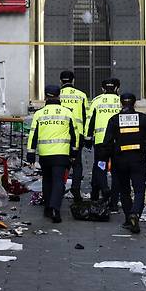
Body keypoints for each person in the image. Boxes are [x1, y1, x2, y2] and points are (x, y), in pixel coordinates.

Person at [101, 92, 146, 233]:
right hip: (138, 159)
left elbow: (107, 142)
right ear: (135, 103)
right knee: (139, 190)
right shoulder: (143, 118)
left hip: (120, 160)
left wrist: (104, 160)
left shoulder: (114, 120)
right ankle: (135, 214)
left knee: (124, 190)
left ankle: (128, 219)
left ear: (121, 103)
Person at [27, 85, 78, 223]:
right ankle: (55, 208)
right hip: (61, 153)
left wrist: (30, 153)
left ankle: (48, 208)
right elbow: (75, 135)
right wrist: (74, 152)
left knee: (47, 181)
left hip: (45, 154)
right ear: (59, 96)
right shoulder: (67, 113)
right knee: (58, 181)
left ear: (45, 97)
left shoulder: (39, 114)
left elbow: (33, 135)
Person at [84, 78, 121, 204]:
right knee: (117, 172)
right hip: (118, 142)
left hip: (101, 142)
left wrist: (88, 138)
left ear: (102, 89)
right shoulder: (122, 101)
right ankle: (114, 202)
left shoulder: (96, 101)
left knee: (100, 167)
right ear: (117, 88)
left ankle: (101, 190)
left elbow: (90, 120)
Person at [59, 71, 88, 202]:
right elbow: (86, 117)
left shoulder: (56, 94)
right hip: (77, 134)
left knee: (61, 162)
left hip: (60, 133)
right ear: (73, 81)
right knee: (77, 163)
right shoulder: (81, 95)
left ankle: (59, 188)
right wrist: (87, 136)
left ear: (61, 81)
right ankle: (75, 187)